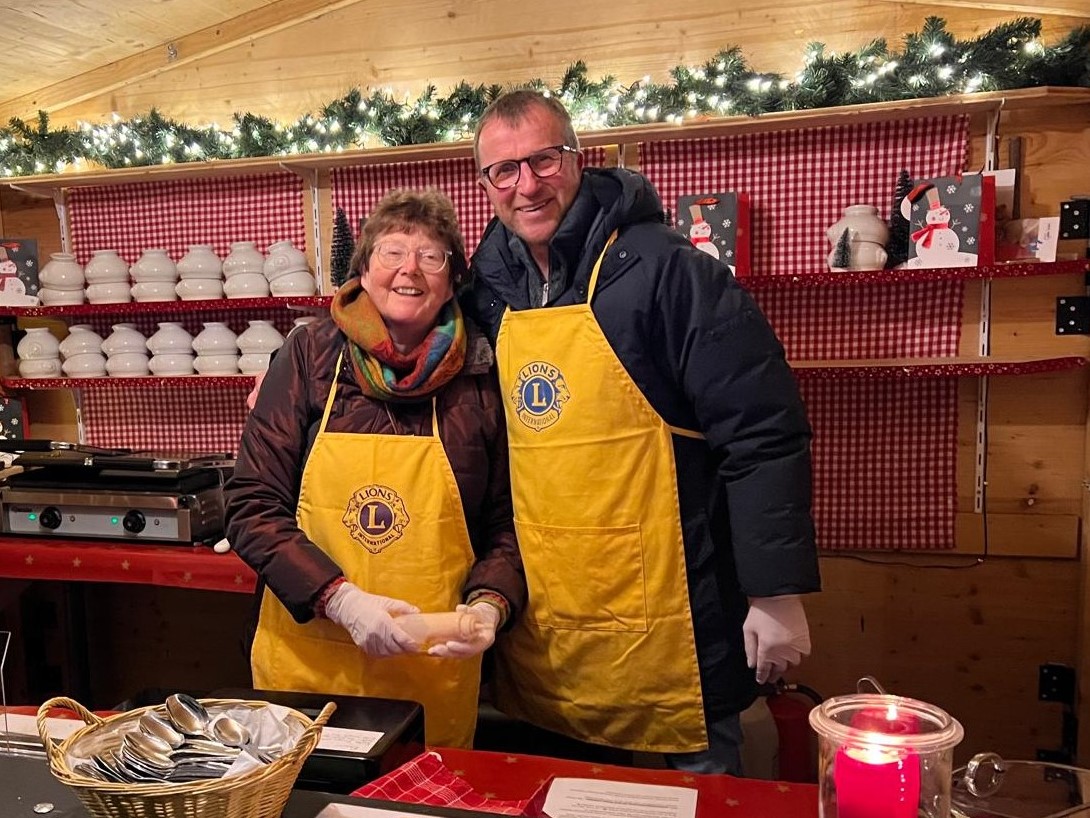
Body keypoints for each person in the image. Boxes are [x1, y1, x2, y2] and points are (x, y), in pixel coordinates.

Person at [461, 89, 820, 774]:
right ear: (486, 184)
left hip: (674, 616)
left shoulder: (669, 271)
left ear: (576, 157)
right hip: (551, 625)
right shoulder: (485, 284)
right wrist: (295, 362)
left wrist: (775, 592)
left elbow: (761, 431)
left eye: (543, 160)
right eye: (503, 171)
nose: (526, 185)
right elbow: (399, 325)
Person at [224, 188, 525, 749]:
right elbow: (250, 505)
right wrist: (340, 599)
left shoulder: (483, 371)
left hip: (432, 666)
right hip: (310, 659)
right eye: (391, 252)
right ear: (363, 269)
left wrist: (489, 605)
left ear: (453, 277)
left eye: (431, 255)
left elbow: (510, 523)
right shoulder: (309, 355)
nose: (409, 269)